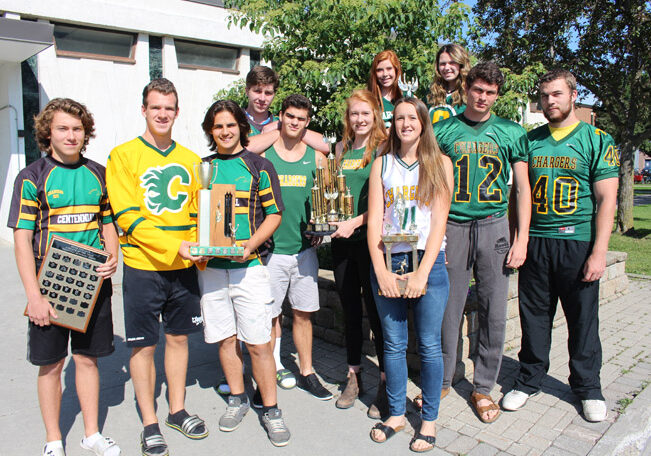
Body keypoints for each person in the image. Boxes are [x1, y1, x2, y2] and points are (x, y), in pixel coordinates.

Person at [502, 69, 619, 422]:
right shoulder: (529, 140)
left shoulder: (597, 139)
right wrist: (516, 238)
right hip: (537, 241)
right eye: (544, 95)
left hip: (576, 242)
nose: (549, 101)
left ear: (572, 94)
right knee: (533, 317)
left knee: (582, 320)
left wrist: (599, 252)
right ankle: (528, 379)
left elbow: (607, 200)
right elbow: (517, 195)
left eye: (556, 94)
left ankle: (587, 387)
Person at [9, 98, 121, 456]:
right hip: (50, 284)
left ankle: (91, 435)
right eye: (63, 128)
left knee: (88, 360)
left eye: (77, 129)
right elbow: (22, 239)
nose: (71, 135)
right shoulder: (31, 177)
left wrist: (113, 253)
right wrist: (34, 295)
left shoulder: (99, 173)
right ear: (48, 133)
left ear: (85, 132)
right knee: (52, 365)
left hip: (93, 283)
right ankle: (54, 441)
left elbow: (108, 222)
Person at [106, 79, 207, 456]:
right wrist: (177, 245)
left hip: (184, 267)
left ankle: (177, 409)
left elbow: (200, 213)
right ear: (144, 110)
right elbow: (128, 219)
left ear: (177, 112)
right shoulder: (123, 156)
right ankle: (150, 421)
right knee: (144, 347)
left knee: (180, 339)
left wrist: (204, 246)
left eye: (169, 108)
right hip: (142, 267)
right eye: (155, 107)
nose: (162, 114)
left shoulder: (192, 160)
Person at [433, 62, 531, 423]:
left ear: (497, 95)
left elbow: (522, 189)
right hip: (455, 224)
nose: (483, 97)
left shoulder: (510, 131)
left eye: (490, 92)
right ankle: (444, 377)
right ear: (467, 87)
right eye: (478, 89)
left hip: (493, 225)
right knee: (448, 306)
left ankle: (484, 386)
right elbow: (436, 186)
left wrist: (521, 238)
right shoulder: (443, 130)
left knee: (493, 308)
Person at [198, 100, 291, 446]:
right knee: (225, 339)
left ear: (241, 127)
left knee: (257, 343)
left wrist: (250, 245)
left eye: (231, 125)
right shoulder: (202, 167)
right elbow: (196, 217)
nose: (224, 131)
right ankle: (237, 397)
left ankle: (271, 408)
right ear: (211, 130)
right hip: (211, 269)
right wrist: (197, 249)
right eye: (218, 126)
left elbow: (274, 214)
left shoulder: (259, 166)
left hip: (248, 268)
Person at [367, 97, 453, 452]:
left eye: (411, 117)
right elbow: (374, 222)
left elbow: (438, 224)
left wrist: (423, 273)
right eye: (399, 118)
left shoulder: (441, 163)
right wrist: (381, 272)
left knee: (430, 345)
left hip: (427, 263)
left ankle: (429, 421)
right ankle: (398, 415)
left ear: (422, 123)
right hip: (390, 261)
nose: (405, 123)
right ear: (393, 125)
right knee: (393, 345)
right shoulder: (381, 165)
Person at [262, 94, 332, 403]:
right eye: (290, 116)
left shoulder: (317, 157)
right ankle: (266, 371)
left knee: (304, 315)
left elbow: (328, 200)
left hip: (304, 250)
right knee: (269, 316)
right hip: (271, 251)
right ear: (280, 116)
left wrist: (323, 227)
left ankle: (307, 371)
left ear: (307, 123)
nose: (294, 122)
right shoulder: (264, 155)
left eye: (301, 118)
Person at [330, 89, 388, 416]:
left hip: (372, 243)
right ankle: (353, 375)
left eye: (365, 113)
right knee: (350, 312)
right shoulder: (340, 149)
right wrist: (326, 222)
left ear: (375, 115)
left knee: (378, 315)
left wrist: (356, 222)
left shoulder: (383, 148)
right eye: (354, 113)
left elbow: (387, 201)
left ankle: (385, 381)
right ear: (348, 117)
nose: (360, 119)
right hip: (342, 243)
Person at [427, 44, 470, 125]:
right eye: (443, 64)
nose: (447, 68)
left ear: (461, 64)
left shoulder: (469, 94)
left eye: (452, 63)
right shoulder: (431, 94)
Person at [367, 50, 404, 129]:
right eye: (379, 70)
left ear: (396, 70)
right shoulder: (368, 100)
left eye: (389, 69)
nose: (385, 74)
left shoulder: (407, 96)